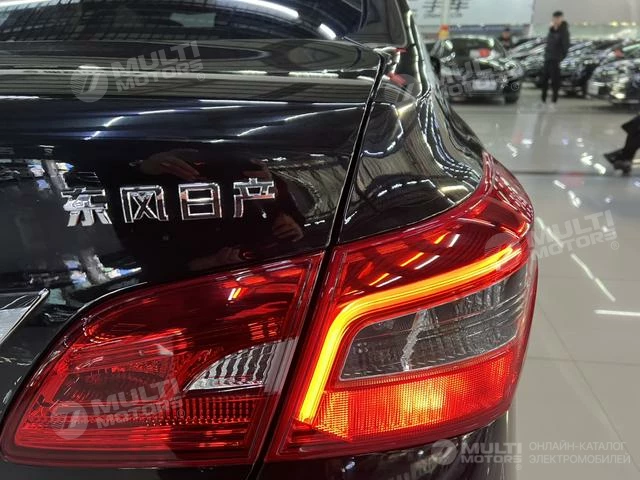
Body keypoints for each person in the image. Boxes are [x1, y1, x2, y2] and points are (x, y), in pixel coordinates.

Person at [540, 11, 570, 106]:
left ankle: (554, 100)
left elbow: (566, 46)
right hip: (548, 58)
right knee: (544, 80)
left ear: (561, 19)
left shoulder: (564, 31)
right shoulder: (551, 30)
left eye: (558, 18)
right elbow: (548, 44)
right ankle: (543, 99)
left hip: (556, 59)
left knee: (555, 81)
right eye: (554, 18)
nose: (556, 20)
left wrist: (560, 58)